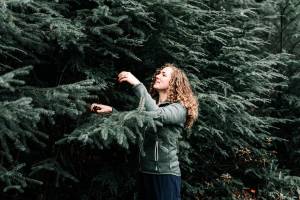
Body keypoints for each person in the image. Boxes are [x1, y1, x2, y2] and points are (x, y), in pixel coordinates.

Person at [90, 63, 198, 200]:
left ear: (174, 82)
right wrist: (111, 111)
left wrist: (136, 83)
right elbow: (134, 122)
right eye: (158, 73)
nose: (158, 76)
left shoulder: (179, 109)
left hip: (165, 175)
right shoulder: (152, 106)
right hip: (144, 173)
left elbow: (157, 115)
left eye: (163, 74)